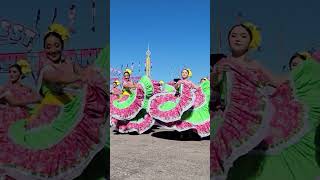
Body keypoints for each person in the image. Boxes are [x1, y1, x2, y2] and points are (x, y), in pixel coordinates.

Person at [210, 22, 320, 180]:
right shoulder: (223, 64)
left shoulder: (255, 65)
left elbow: (278, 82)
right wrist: (215, 74)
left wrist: (301, 75)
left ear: (250, 42)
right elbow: (214, 87)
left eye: (243, 36)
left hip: (256, 115)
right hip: (231, 117)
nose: (238, 39)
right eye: (233, 35)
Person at [0, 23, 108, 180]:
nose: (52, 50)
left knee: (77, 153)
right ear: (45, 49)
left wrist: (97, 71)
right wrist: (82, 77)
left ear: (62, 46)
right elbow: (62, 79)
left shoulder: (70, 63)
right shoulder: (46, 69)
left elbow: (84, 75)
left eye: (56, 45)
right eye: (48, 47)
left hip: (71, 112)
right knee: (49, 157)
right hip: (49, 117)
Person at [148, 68, 210, 138]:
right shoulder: (179, 81)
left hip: (188, 100)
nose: (184, 74)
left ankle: (188, 132)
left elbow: (197, 88)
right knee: (180, 115)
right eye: (182, 72)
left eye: (185, 73)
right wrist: (177, 84)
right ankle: (181, 132)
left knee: (188, 116)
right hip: (180, 100)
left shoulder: (190, 82)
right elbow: (175, 88)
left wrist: (204, 85)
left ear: (188, 75)